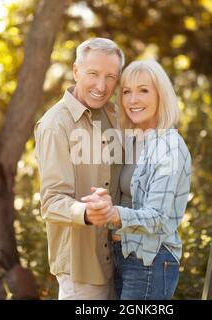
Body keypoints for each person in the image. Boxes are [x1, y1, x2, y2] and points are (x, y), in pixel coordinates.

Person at [82, 60, 192, 300]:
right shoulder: (134, 140)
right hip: (124, 255)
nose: (133, 100)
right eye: (126, 92)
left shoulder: (169, 146)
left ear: (160, 95)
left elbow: (159, 218)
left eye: (143, 90)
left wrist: (114, 214)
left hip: (150, 260)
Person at [34, 38, 125, 300]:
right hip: (81, 268)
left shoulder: (115, 115)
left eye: (110, 77)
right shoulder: (55, 125)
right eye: (93, 74)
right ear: (76, 71)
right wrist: (85, 212)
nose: (101, 85)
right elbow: (51, 202)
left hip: (118, 262)